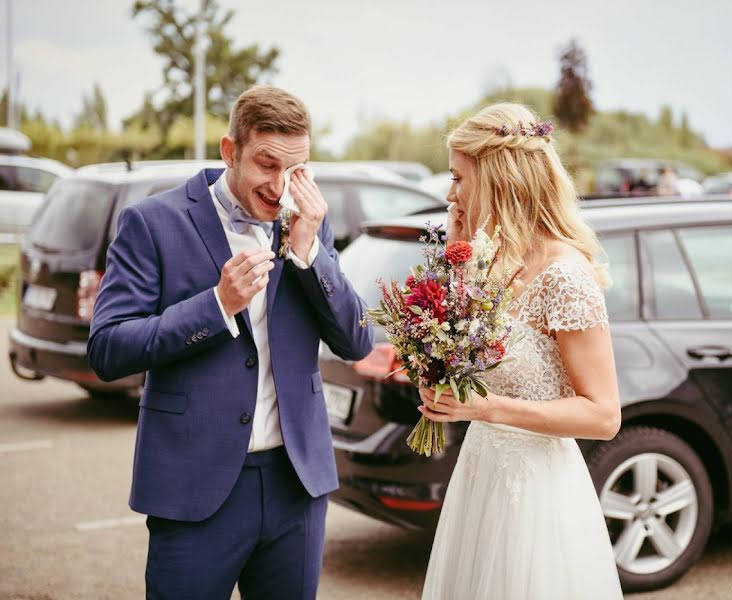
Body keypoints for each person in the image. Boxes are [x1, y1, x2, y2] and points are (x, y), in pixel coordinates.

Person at [87, 85, 373, 599]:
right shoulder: (152, 223)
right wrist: (216, 304)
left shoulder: (310, 224)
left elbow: (356, 342)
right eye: (267, 165)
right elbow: (108, 348)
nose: (281, 186)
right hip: (194, 487)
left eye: (296, 170)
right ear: (229, 151)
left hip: (296, 486)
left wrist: (310, 256)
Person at [419, 103, 623, 599]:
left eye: (458, 179)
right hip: (479, 476)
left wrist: (486, 408)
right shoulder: (488, 261)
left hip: (537, 494)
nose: (450, 193)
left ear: (497, 179)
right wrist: (456, 254)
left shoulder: (565, 275)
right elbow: (460, 363)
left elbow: (603, 415)